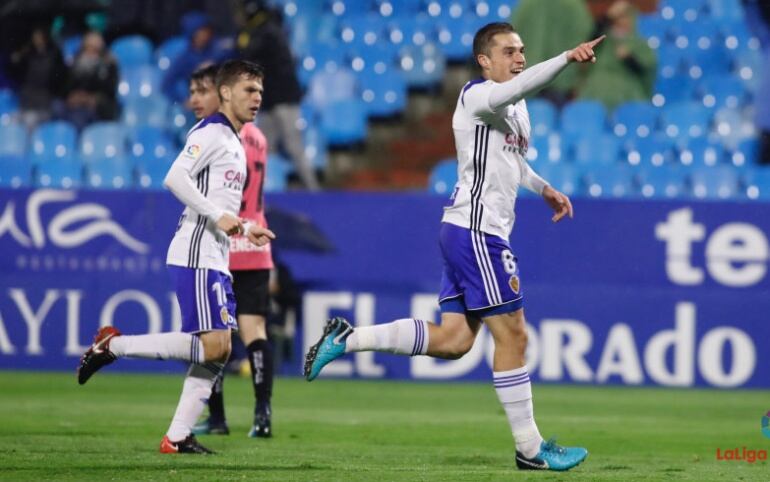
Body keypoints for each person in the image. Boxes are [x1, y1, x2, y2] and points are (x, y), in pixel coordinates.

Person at [304, 23, 604, 472]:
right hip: (477, 231)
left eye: (521, 50)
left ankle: (347, 339)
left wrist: (543, 188)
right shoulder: (476, 95)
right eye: (508, 51)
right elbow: (523, 84)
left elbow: (512, 158)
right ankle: (530, 449)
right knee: (514, 334)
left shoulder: (516, 107)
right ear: (484, 60)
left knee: (455, 340)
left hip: (467, 231)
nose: (518, 57)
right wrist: (564, 58)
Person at [77, 60, 275, 455]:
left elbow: (217, 202)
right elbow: (174, 177)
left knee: (218, 350)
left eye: (260, 92)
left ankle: (178, 436)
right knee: (216, 347)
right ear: (225, 93)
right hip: (197, 251)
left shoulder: (235, 141)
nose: (257, 98)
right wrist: (216, 215)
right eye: (249, 90)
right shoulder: (213, 132)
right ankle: (114, 347)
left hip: (216, 253)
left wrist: (242, 225)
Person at [183, 64, 277, 438]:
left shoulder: (221, 135)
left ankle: (218, 417)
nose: (195, 100)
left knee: (210, 332)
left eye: (200, 92)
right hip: (253, 241)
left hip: (223, 238)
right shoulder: (258, 138)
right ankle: (263, 414)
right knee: (255, 331)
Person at [237, 1, 320, 190]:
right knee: (265, 147)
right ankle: (265, 191)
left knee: (293, 145)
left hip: (283, 97)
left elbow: (247, 52)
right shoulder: (267, 30)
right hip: (269, 99)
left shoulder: (267, 32)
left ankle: (313, 189)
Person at [577, 0, 656, 110]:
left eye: (625, 17)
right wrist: (609, 16)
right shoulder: (602, 40)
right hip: (596, 91)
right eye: (618, 18)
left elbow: (646, 72)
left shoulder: (640, 44)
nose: (621, 21)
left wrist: (629, 59)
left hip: (628, 93)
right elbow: (589, 43)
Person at [54, 30, 119, 130]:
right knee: (57, 107)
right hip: (75, 103)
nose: (91, 52)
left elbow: (110, 90)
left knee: (79, 118)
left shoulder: (109, 65)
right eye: (88, 47)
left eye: (95, 49)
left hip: (98, 105)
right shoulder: (76, 63)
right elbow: (65, 87)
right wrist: (71, 96)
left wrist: (90, 98)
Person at [7, 25, 67, 129]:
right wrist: (17, 59)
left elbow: (59, 79)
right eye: (35, 36)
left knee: (31, 120)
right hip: (26, 100)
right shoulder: (28, 54)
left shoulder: (54, 55)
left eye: (39, 36)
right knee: (11, 122)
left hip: (44, 103)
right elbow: (14, 73)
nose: (37, 39)